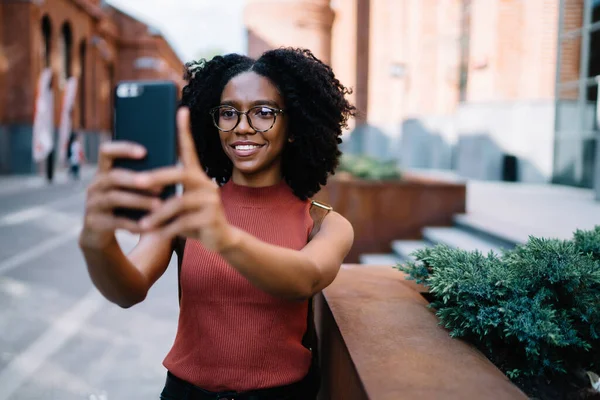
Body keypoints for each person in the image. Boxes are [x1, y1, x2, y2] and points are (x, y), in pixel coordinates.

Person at [78, 48, 355, 399]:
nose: (242, 127)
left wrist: (224, 238)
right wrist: (96, 243)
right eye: (228, 113)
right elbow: (126, 290)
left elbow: (305, 277)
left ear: (294, 127)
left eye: (263, 112)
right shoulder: (188, 211)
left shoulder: (325, 223)